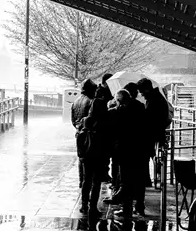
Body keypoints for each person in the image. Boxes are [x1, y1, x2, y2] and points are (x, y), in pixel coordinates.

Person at [105, 90, 147, 218]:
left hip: (125, 149)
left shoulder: (121, 111)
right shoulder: (140, 107)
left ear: (121, 100)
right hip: (139, 148)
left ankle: (126, 208)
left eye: (118, 100)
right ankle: (139, 205)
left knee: (126, 180)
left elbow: (115, 126)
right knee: (138, 179)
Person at [137, 78, 169, 180]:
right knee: (154, 157)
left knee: (145, 157)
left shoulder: (153, 100)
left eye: (141, 91)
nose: (141, 94)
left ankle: (147, 179)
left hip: (152, 134)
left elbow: (149, 118)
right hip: (157, 133)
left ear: (147, 89)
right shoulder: (157, 98)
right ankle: (156, 178)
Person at [71, 79, 97, 188]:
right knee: (90, 161)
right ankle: (88, 183)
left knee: (81, 159)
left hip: (79, 133)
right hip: (89, 134)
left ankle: (82, 181)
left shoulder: (75, 102)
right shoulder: (91, 101)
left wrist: (78, 127)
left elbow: (73, 120)